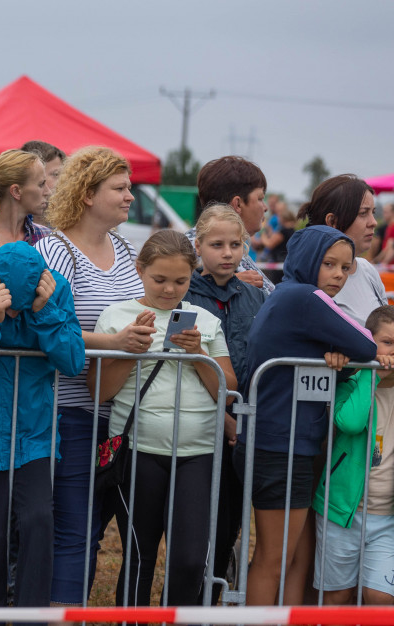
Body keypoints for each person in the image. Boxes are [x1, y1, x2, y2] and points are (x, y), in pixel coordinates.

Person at [34, 146, 153, 606]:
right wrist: (115, 344)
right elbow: (47, 328)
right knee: (74, 533)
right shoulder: (57, 250)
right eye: (119, 188)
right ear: (87, 194)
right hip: (70, 413)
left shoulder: (125, 249)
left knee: (95, 535)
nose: (129, 197)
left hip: (121, 415)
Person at [92, 230, 237, 607]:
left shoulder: (204, 320)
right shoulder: (117, 316)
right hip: (139, 450)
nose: (170, 290)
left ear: (193, 276)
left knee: (190, 561)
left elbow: (227, 388)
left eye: (181, 281)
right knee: (139, 557)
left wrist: (200, 353)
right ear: (140, 270)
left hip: (200, 453)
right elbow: (100, 391)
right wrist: (128, 350)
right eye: (160, 279)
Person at [237, 225, 378, 606]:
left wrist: (335, 359)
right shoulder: (304, 296)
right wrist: (341, 350)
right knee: (274, 558)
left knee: (295, 555)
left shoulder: (288, 295)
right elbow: (367, 343)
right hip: (279, 445)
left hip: (283, 442)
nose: (338, 275)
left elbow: (346, 357)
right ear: (306, 260)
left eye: (346, 268)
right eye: (329, 263)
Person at [0, 242, 84, 617]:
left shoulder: (54, 290)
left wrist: (44, 312)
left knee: (38, 523)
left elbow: (72, 360)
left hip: (34, 432)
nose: (17, 314)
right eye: (14, 308)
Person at [184, 204, 268, 603]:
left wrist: (243, 418)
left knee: (229, 525)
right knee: (197, 528)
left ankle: (209, 600)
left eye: (236, 244)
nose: (228, 253)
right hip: (198, 426)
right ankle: (182, 601)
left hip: (242, 426)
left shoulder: (253, 295)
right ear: (198, 246)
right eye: (217, 244)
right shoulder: (184, 294)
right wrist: (225, 417)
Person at [311, 304, 394, 606]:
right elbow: (351, 422)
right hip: (342, 511)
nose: (392, 353)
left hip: (387, 518)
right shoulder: (353, 382)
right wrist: (372, 373)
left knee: (381, 597)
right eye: (387, 343)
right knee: (337, 596)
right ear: (369, 343)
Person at [298, 174, 385, 325]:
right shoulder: (310, 279)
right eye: (363, 213)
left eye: (373, 212)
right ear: (332, 221)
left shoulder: (367, 270)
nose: (373, 222)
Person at [186, 156, 272, 295]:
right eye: (260, 199)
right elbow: (172, 292)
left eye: (235, 245)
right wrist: (224, 285)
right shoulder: (188, 249)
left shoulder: (237, 249)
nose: (265, 207)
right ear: (237, 204)